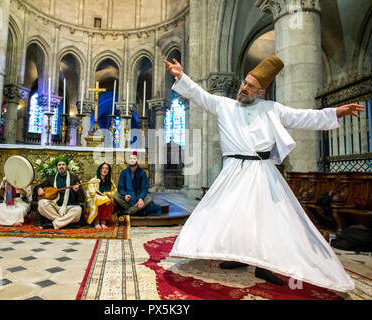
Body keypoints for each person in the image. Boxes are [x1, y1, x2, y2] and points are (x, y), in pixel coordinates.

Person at [163, 55, 363, 292]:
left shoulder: (273, 109)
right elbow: (199, 95)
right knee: (232, 216)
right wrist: (181, 76)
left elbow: (304, 117)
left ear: (261, 92)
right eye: (245, 83)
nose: (244, 88)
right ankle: (237, 255)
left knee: (265, 219)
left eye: (250, 86)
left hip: (262, 171)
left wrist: (336, 112)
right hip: (233, 172)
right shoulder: (224, 105)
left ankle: (264, 265)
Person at [32, 155, 85, 229]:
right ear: (56, 167)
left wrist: (77, 191)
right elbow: (39, 186)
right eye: (59, 165)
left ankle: (54, 224)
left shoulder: (73, 178)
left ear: (66, 166)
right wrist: (39, 189)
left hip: (69, 207)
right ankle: (63, 222)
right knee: (41, 203)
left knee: (78, 210)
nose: (61, 166)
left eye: (63, 164)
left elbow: (82, 197)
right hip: (54, 207)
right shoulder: (51, 178)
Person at [113, 152, 154, 216]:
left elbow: (144, 188)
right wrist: (125, 194)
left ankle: (127, 211)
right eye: (130, 158)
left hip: (138, 196)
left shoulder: (142, 173)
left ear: (137, 160)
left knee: (149, 199)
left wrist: (140, 199)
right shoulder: (124, 172)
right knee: (115, 196)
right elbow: (120, 187)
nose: (132, 160)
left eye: (134, 158)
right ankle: (136, 210)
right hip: (127, 198)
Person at [85, 163, 117, 229]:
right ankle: (96, 222)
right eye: (103, 168)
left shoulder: (110, 181)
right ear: (100, 170)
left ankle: (103, 222)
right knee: (99, 200)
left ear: (108, 171)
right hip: (94, 198)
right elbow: (92, 192)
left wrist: (108, 194)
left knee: (107, 200)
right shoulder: (93, 180)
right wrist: (100, 195)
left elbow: (114, 191)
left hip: (105, 197)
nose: (105, 170)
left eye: (107, 169)